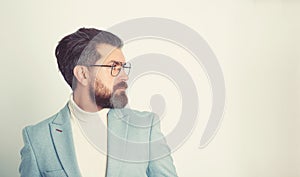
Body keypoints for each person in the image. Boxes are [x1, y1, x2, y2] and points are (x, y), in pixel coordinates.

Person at [19, 28, 178, 177]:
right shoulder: (37, 138)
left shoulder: (146, 127)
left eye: (123, 67)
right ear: (82, 74)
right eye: (113, 67)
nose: (124, 76)